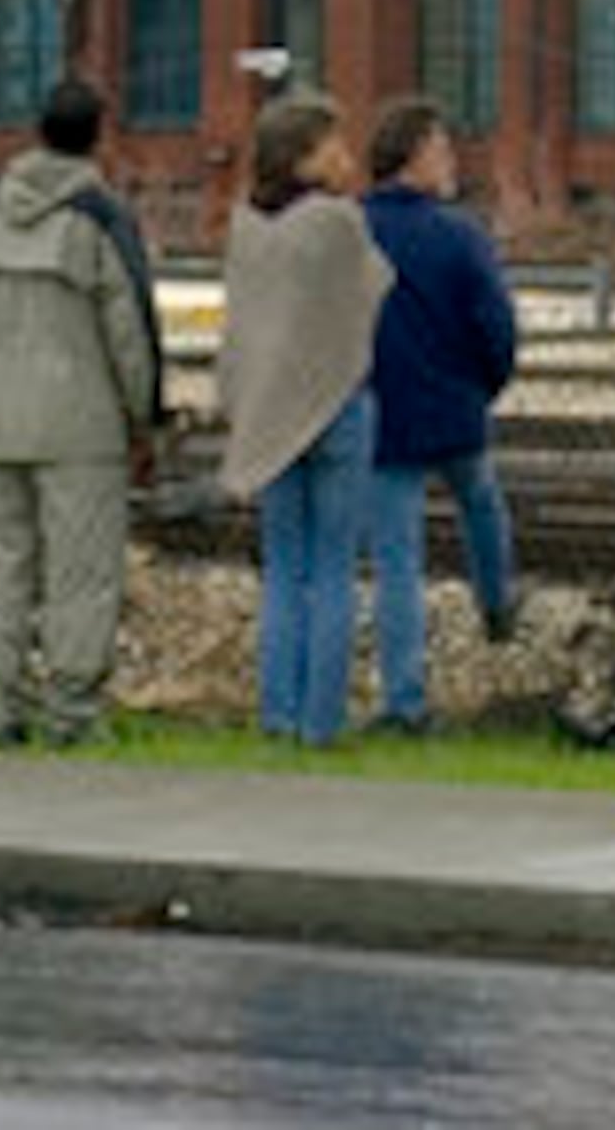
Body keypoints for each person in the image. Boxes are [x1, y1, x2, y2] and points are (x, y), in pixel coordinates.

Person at [0, 78, 161, 745]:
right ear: (99, 134)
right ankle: (71, 708)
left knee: (8, 565)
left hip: (2, 418)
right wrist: (144, 418)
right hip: (83, 424)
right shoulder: (99, 217)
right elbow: (131, 335)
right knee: (83, 571)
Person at [216, 91, 389, 747]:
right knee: (335, 568)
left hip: (269, 412)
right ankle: (323, 721)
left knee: (284, 569)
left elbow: (244, 327)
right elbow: (373, 288)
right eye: (333, 145)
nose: (346, 157)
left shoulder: (244, 226)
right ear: (303, 156)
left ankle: (277, 714)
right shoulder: (337, 221)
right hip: (337, 405)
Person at [359, 95, 520, 733]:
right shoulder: (460, 236)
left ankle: (404, 700)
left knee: (397, 559)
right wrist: (486, 385)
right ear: (415, 157)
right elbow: (496, 327)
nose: (451, 160)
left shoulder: (352, 229)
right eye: (442, 149)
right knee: (481, 502)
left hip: (380, 414)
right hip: (456, 409)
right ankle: (497, 604)